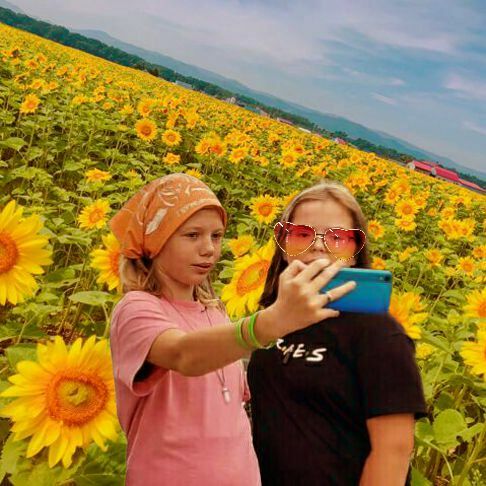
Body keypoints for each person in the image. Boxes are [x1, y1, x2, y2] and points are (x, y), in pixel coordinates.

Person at [108, 173, 357, 486]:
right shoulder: (136, 309)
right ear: (154, 239)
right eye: (192, 235)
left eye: (216, 236)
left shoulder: (215, 312)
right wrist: (269, 323)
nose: (208, 249)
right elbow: (183, 354)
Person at [247, 180, 427, 486]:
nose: (318, 246)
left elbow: (393, 451)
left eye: (337, 238)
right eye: (302, 234)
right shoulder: (273, 319)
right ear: (284, 244)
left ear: (355, 252)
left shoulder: (378, 333)